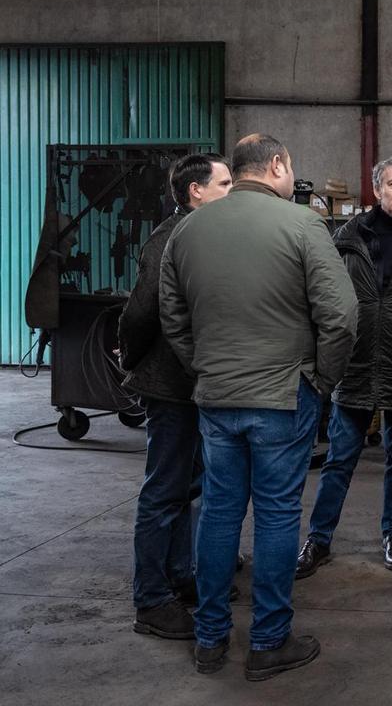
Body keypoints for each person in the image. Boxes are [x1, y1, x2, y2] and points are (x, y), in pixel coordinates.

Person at [159, 134, 357, 680]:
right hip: (282, 397)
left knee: (219, 512)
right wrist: (321, 380)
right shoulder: (302, 225)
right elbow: (340, 316)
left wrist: (205, 367)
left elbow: (172, 317)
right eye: (290, 167)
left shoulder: (187, 230)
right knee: (275, 516)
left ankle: (209, 639)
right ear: (276, 165)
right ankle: (268, 642)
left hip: (216, 397)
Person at [296, 153, 392, 578]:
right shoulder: (346, 238)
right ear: (376, 189)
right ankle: (319, 539)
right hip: (357, 361)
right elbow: (326, 297)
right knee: (340, 456)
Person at [120, 153, 232, 640]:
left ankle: (183, 575)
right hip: (169, 386)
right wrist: (133, 362)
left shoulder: (208, 235)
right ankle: (151, 600)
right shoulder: (169, 239)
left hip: (196, 385)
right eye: (225, 183)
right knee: (164, 491)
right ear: (196, 192)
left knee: (189, 486)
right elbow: (141, 313)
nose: (234, 190)